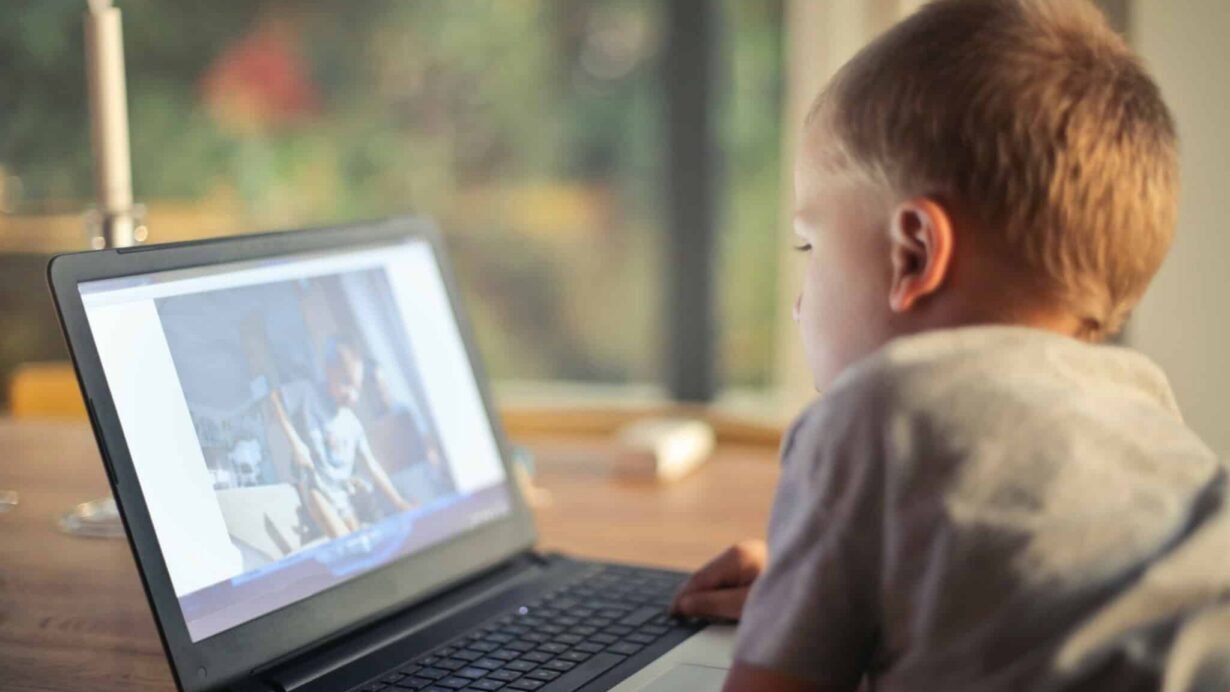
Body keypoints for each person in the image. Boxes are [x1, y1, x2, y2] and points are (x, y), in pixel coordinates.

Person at [671, 1, 1230, 690]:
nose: (796, 302)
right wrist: (817, 597)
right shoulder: (1148, 411)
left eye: (809, 244)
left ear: (914, 254)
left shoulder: (878, 412)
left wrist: (785, 640)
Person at [270, 335, 415, 539]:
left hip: (342, 498)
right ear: (329, 371)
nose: (351, 394)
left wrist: (399, 502)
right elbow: (275, 398)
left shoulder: (353, 425)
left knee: (363, 543)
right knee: (345, 542)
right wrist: (296, 444)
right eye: (345, 382)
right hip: (315, 489)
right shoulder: (307, 392)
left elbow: (372, 466)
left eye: (356, 387)